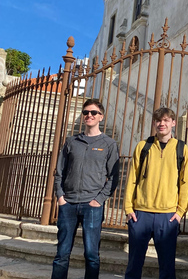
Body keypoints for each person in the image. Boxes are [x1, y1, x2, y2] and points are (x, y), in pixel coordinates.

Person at [52, 99, 119, 279]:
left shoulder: (109, 144)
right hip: (68, 204)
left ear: (101, 117)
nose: (89, 115)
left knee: (91, 256)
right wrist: (60, 197)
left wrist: (99, 200)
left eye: (94, 113)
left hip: (92, 206)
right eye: (86, 112)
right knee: (61, 255)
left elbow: (114, 177)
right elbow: (59, 172)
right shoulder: (71, 142)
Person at [124, 107, 188, 279]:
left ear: (173, 123)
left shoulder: (181, 149)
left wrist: (180, 211)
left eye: (166, 120)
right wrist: (128, 208)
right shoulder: (143, 146)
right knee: (134, 264)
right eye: (158, 121)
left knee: (167, 266)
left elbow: (185, 183)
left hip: (167, 215)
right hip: (141, 213)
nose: (162, 124)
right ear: (154, 123)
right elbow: (132, 178)